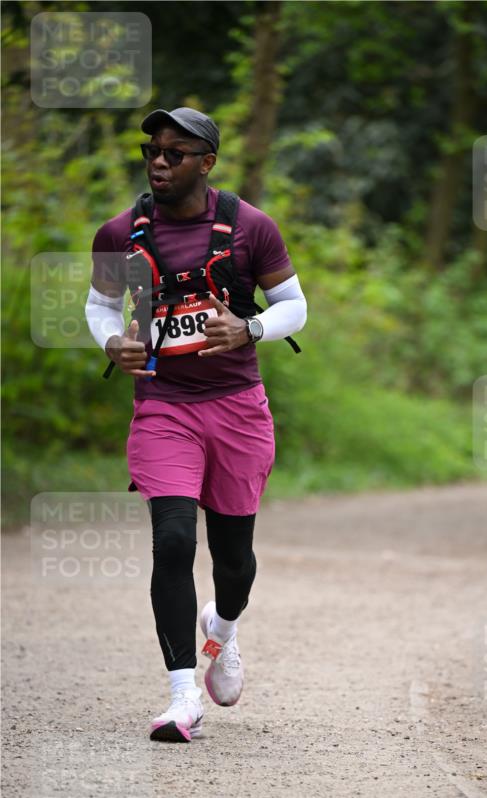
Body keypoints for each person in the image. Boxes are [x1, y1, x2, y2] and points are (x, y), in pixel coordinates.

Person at [85, 107, 307, 742]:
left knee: (234, 561)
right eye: (152, 150)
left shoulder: (250, 228)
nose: (159, 161)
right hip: (163, 406)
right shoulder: (120, 235)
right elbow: (100, 307)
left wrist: (250, 327)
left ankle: (224, 628)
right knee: (175, 540)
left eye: (175, 152)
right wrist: (110, 344)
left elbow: (295, 305)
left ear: (206, 162)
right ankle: (183, 696)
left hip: (238, 406)